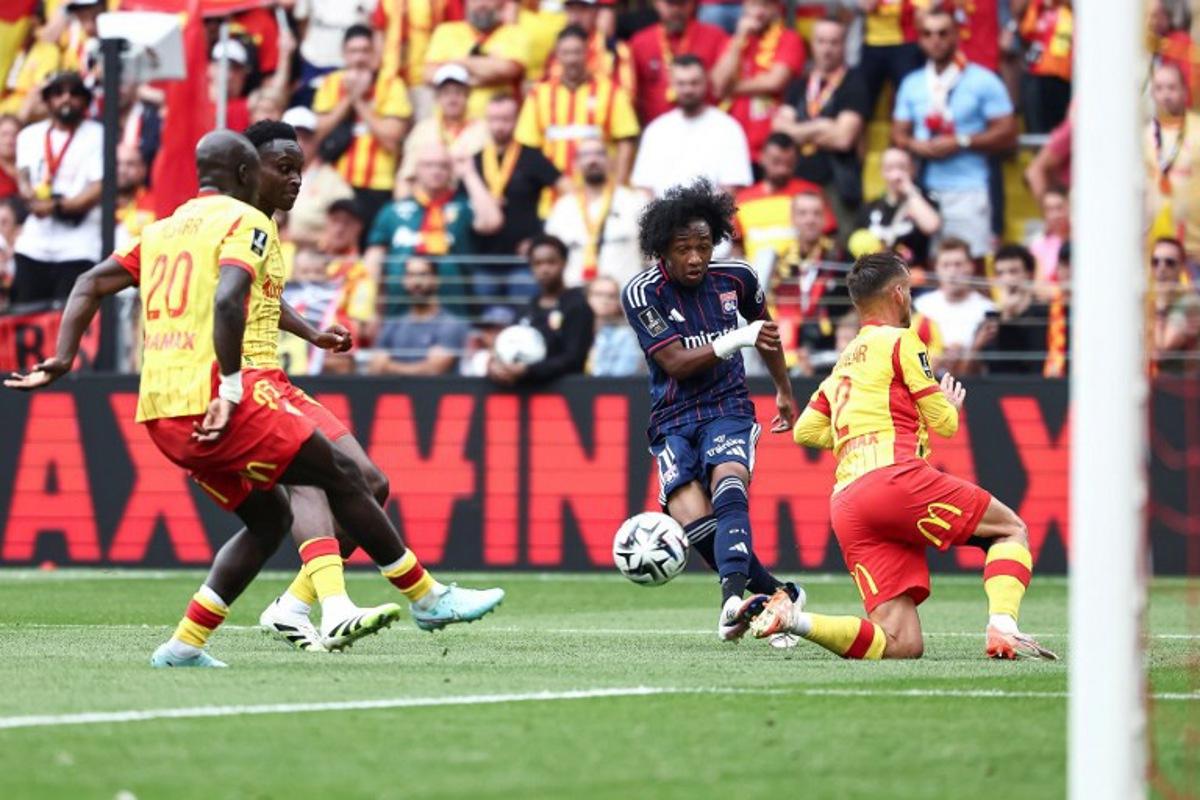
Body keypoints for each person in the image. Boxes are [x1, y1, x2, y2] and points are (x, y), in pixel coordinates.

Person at [5, 130, 505, 666]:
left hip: (163, 407)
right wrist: (231, 385)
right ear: (247, 172)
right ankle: (408, 598)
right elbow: (228, 301)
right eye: (283, 167)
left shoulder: (162, 229)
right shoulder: (247, 222)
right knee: (328, 473)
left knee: (277, 517)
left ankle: (188, 643)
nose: (294, 179)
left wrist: (63, 358)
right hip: (231, 390)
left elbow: (90, 282)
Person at [749, 250, 1057, 661]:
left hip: (848, 503)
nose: (910, 299)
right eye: (909, 290)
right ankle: (1004, 627)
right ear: (897, 293)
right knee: (1008, 530)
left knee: (901, 643)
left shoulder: (843, 362)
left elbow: (805, 430)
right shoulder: (902, 341)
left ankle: (793, 619)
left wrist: (852, 438)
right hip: (894, 478)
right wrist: (948, 404)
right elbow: (944, 423)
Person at [620, 178, 805, 642]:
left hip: (728, 407)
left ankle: (732, 603)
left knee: (729, 489)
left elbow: (766, 331)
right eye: (684, 248)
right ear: (663, 248)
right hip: (672, 417)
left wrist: (783, 389)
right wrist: (736, 338)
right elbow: (677, 363)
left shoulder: (737, 279)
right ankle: (779, 596)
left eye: (704, 245)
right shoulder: (642, 293)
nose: (697, 257)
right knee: (695, 520)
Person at [892, 8, 1017, 258]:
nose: (935, 40)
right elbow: (898, 134)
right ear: (920, 39)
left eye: (942, 33)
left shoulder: (983, 79)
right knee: (923, 268)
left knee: (970, 267)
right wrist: (918, 146)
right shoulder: (912, 83)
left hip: (970, 188)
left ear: (956, 35)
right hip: (924, 190)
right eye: (927, 34)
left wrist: (962, 141)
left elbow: (1008, 131)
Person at [365, 142, 504, 317]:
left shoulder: (463, 206)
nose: (436, 171)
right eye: (428, 165)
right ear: (416, 169)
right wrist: (370, 309)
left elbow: (492, 222)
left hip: (455, 311)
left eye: (443, 166)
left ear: (451, 170)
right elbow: (373, 262)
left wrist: (469, 174)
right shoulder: (392, 211)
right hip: (400, 312)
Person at [12, 71, 102, 305]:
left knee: (69, 322)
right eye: (58, 93)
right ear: (48, 99)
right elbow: (23, 176)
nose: (66, 99)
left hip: (78, 245)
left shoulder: (98, 135)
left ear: (85, 100)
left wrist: (55, 206)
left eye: (74, 93)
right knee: (26, 317)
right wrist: (29, 195)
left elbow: (98, 188)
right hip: (34, 244)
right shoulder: (29, 136)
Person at [312, 25, 413, 230]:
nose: (359, 58)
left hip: (378, 183)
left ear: (374, 53)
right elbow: (316, 134)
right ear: (343, 54)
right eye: (353, 51)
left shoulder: (392, 84)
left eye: (365, 51)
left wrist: (358, 101)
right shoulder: (331, 83)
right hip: (336, 182)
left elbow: (392, 139)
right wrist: (348, 99)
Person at [773, 16, 870, 230]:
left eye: (834, 42)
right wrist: (823, 126)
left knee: (840, 250)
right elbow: (779, 131)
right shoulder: (799, 84)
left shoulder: (855, 83)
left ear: (844, 45)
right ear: (812, 44)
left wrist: (798, 131)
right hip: (798, 180)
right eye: (821, 41)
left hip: (838, 186)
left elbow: (843, 139)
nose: (827, 49)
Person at [515, 25, 640, 185]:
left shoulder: (612, 92)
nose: (571, 59)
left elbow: (626, 140)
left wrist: (620, 185)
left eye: (577, 52)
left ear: (587, 53)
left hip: (602, 193)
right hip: (552, 195)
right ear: (556, 55)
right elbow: (528, 146)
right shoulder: (538, 95)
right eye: (566, 53)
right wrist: (556, 182)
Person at [472, 94, 562, 290]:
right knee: (483, 319)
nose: (499, 126)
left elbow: (566, 192)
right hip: (484, 258)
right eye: (494, 119)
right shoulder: (475, 161)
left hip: (523, 260)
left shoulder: (532, 157)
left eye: (505, 119)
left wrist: (540, 239)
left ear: (516, 120)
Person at [630, 54, 752, 198]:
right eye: (681, 83)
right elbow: (644, 188)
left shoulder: (728, 128)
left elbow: (732, 188)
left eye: (694, 83)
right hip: (662, 217)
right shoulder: (656, 130)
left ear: (706, 81)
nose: (688, 90)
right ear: (672, 84)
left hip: (711, 217)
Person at [488, 235, 595, 386]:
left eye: (551, 262)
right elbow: (506, 343)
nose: (544, 269)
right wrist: (494, 365)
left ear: (564, 263)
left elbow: (574, 357)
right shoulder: (527, 308)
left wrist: (529, 370)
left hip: (566, 394)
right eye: (537, 263)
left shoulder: (577, 305)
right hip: (523, 394)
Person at [709, 0, 806, 163]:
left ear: (776, 8)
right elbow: (718, 84)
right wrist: (739, 39)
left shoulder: (789, 38)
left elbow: (774, 82)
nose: (759, 12)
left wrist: (730, 89)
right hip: (732, 145)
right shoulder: (731, 42)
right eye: (754, 5)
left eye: (766, 5)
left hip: (771, 148)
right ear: (744, 6)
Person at [545, 138, 647, 287]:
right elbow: (551, 254)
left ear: (611, 161)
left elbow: (653, 255)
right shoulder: (562, 207)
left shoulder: (635, 201)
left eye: (599, 154)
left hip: (626, 297)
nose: (593, 160)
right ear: (575, 164)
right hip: (576, 297)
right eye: (585, 155)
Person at [766, 191, 848, 376]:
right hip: (786, 356)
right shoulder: (779, 263)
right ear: (793, 219)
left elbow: (853, 309)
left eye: (816, 213)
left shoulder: (841, 257)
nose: (810, 220)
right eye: (803, 213)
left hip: (830, 357)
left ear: (824, 219)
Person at [732, 133, 832, 266]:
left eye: (789, 163)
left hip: (799, 275)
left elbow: (828, 237)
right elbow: (736, 244)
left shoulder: (811, 193)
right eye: (776, 162)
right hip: (756, 277)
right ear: (762, 157)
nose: (782, 170)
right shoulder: (742, 199)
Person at [423, 0, 529, 120]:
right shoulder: (446, 31)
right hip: (449, 126)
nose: (481, 4)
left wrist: (457, 64)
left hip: (497, 125)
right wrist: (488, 71)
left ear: (500, 3)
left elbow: (509, 69)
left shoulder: (514, 33)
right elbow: (429, 74)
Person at [628, 0, 729, 125]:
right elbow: (632, 94)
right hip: (657, 132)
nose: (676, 10)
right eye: (670, 4)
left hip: (707, 129)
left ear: (693, 4)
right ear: (656, 3)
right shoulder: (639, 43)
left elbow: (725, 87)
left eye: (682, 3)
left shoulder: (715, 37)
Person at [368, 257, 470, 375]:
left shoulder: (451, 325)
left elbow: (434, 370)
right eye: (411, 275)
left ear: (436, 280)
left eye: (423, 274)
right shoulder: (392, 325)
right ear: (404, 281)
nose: (416, 282)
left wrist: (388, 367)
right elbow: (374, 367)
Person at [397, 64, 490, 191]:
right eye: (446, 93)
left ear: (468, 95)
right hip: (430, 203)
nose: (452, 99)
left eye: (458, 92)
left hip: (469, 201)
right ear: (437, 97)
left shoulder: (483, 130)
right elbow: (406, 177)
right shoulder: (423, 130)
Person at [913, 238, 994, 374]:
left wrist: (968, 351)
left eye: (958, 264)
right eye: (946, 265)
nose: (952, 272)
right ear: (936, 269)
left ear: (971, 267)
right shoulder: (921, 306)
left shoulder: (988, 309)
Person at [1145, 62, 1200, 258]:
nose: (1165, 95)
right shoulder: (1144, 136)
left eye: (1172, 88)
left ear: (1185, 92)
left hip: (1194, 248)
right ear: (1152, 94)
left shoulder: (1197, 130)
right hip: (1156, 253)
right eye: (1159, 89)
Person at [855, 147, 941, 269]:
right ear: (882, 172)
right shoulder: (870, 207)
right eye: (890, 168)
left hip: (913, 279)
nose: (896, 174)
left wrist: (909, 190)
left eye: (902, 167)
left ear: (913, 169)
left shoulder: (925, 200)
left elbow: (931, 226)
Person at [283, 106, 355, 248]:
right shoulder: (267, 176)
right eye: (293, 138)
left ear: (316, 141)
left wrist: (297, 238)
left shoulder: (332, 182)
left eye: (306, 138)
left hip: (314, 260)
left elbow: (347, 234)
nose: (300, 144)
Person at [974, 243, 1049, 375]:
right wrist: (1007, 316)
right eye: (1000, 273)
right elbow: (994, 366)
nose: (1007, 279)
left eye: (1013, 271)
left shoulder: (1045, 315)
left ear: (1029, 274)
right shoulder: (990, 321)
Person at [545, 0, 636, 94]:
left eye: (582, 10)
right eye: (571, 10)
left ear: (596, 12)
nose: (576, 17)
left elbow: (626, 93)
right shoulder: (557, 48)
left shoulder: (614, 49)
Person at [859, 0, 927, 116]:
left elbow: (922, 14)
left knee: (910, 95)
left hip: (906, 44)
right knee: (863, 100)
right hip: (872, 44)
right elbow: (866, 6)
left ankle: (908, 131)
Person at [1015, 0, 1073, 134]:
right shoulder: (1038, 8)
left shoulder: (1070, 12)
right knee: (1038, 128)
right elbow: (1027, 31)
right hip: (1038, 75)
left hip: (1064, 79)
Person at [1151, 237, 1200, 374]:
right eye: (1155, 262)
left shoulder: (1190, 303)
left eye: (1169, 263)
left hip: (1181, 390)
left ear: (1181, 267)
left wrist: (1160, 308)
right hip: (1156, 387)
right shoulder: (1149, 301)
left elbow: (1162, 348)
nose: (1161, 268)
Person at [587, 275, 643, 376]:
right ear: (587, 297)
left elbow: (623, 375)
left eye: (611, 296)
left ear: (618, 302)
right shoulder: (574, 331)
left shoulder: (626, 336)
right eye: (598, 294)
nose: (605, 300)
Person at [1026, 185, 1069, 290]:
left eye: (1059, 207)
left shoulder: (1084, 240)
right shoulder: (1038, 245)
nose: (1055, 215)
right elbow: (1039, 288)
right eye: (1049, 209)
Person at [209, 39, 252, 133]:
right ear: (210, 68)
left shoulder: (251, 108)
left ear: (244, 74)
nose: (229, 75)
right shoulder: (195, 107)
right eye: (223, 66)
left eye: (236, 69)